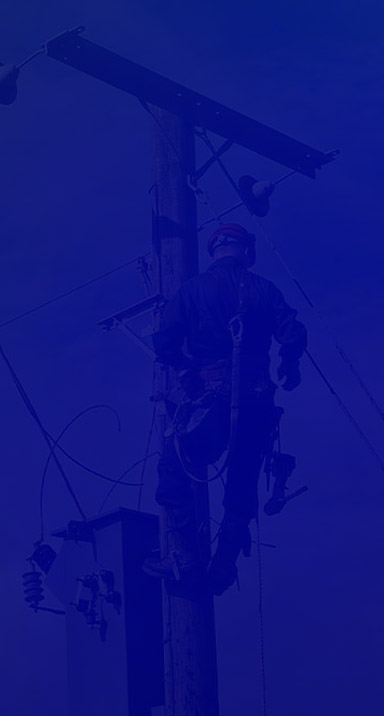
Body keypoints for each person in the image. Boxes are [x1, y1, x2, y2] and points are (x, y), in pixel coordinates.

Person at [152, 222, 307, 595]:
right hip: (256, 403)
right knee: (242, 483)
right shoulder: (264, 289)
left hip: (212, 399)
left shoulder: (192, 290)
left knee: (176, 465)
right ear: (246, 251)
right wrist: (290, 365)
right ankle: (224, 564)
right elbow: (293, 333)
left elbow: (165, 342)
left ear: (215, 251)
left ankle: (183, 557)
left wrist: (185, 370)